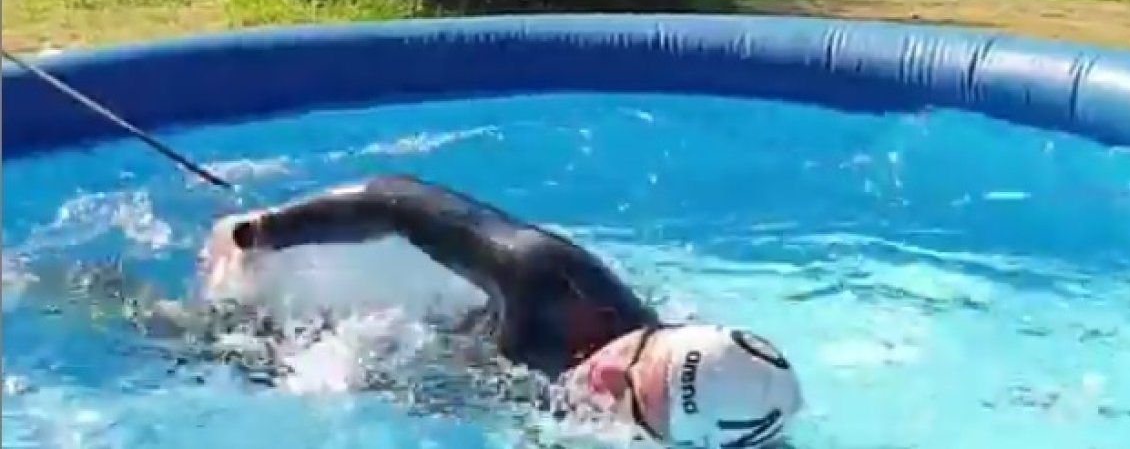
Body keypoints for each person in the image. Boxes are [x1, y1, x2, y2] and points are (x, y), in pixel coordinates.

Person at [211, 174, 805, 448]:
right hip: (421, 352)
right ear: (662, 333)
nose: (605, 376)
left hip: (469, 395)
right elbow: (397, 202)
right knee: (234, 353)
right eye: (633, 356)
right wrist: (263, 231)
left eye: (630, 401)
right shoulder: (551, 283)